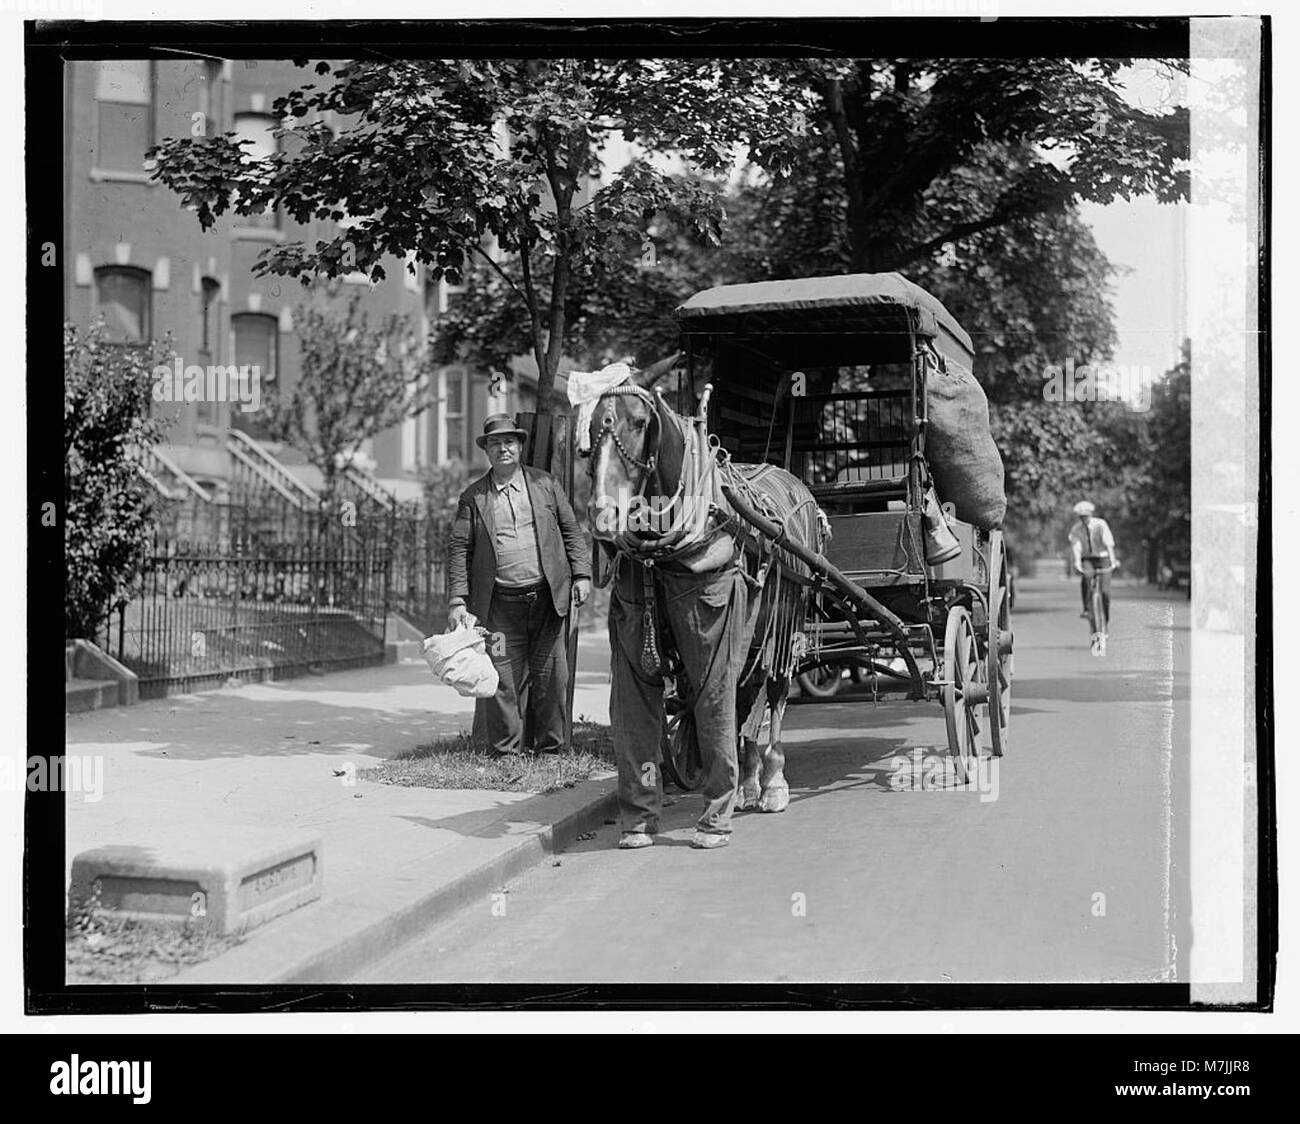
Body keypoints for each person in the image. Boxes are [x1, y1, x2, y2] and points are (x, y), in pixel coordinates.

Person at [447, 414, 592, 756]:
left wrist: (582, 575)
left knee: (553, 678)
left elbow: (571, 531)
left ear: (521, 446)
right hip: (499, 608)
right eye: (495, 443)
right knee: (502, 682)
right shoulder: (473, 497)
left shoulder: (545, 485)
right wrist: (457, 599)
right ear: (488, 452)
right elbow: (458, 549)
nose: (503, 449)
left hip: (546, 601)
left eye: (509, 442)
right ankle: (506, 753)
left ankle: (552, 753)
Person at [1068, 500, 1119, 631]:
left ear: (1091, 514)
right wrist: (1077, 563)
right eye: (1081, 516)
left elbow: (1108, 544)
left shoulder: (1100, 525)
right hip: (1088, 559)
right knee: (1086, 577)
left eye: (1086, 516)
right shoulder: (1076, 530)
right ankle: (1086, 608)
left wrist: (1113, 560)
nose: (1084, 519)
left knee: (1105, 592)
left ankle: (1105, 621)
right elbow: (1076, 547)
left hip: (1103, 558)